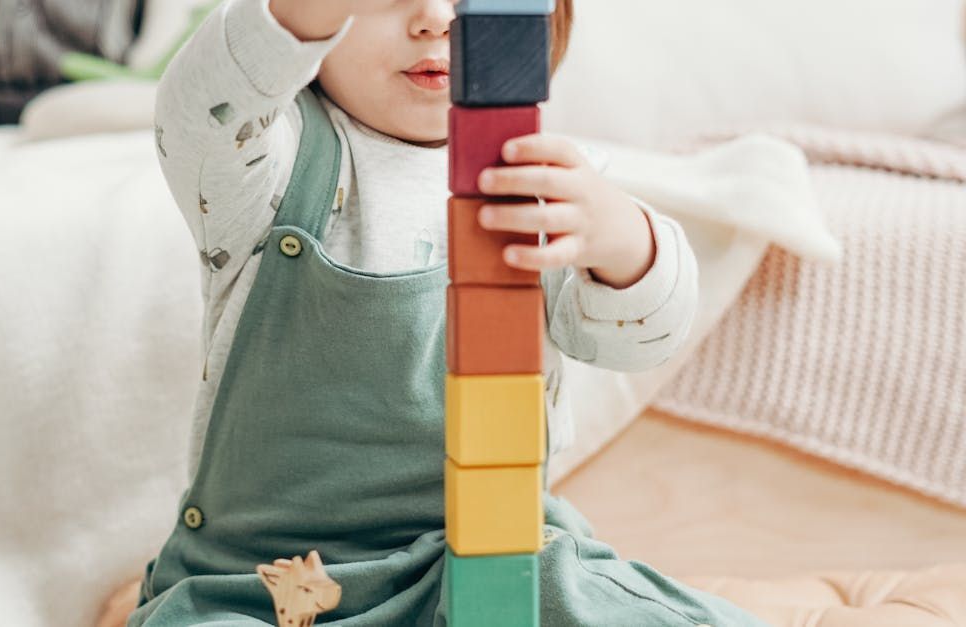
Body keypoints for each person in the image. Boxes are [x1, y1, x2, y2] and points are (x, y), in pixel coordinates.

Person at [127, 0, 770, 624]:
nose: (436, 17)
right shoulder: (267, 162)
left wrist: (626, 243)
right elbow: (198, 108)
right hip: (263, 583)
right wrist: (295, 16)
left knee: (585, 592)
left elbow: (637, 341)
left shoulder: (547, 184)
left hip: (486, 556)